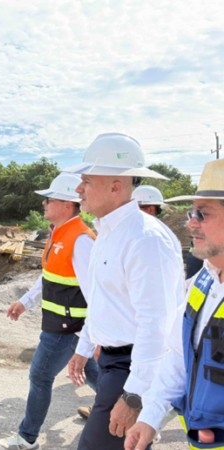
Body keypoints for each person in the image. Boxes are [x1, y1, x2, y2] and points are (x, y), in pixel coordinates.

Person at [65, 132, 185, 450]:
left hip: (133, 367)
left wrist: (134, 395)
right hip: (113, 363)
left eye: (86, 181)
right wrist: (84, 347)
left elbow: (156, 323)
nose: (78, 189)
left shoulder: (145, 240)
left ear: (116, 187)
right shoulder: (109, 232)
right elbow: (103, 301)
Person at [0, 173, 99, 450]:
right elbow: (49, 275)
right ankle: (133, 415)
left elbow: (97, 296)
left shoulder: (81, 240)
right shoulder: (58, 233)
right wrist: (25, 302)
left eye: (49, 199)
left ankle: (26, 438)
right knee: (94, 374)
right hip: (64, 325)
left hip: (67, 328)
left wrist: (90, 337)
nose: (44, 204)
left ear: (67, 204)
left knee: (40, 376)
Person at [125, 159, 224, 450]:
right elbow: (179, 355)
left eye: (203, 214)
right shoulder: (204, 281)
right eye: (193, 213)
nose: (190, 223)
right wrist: (150, 417)